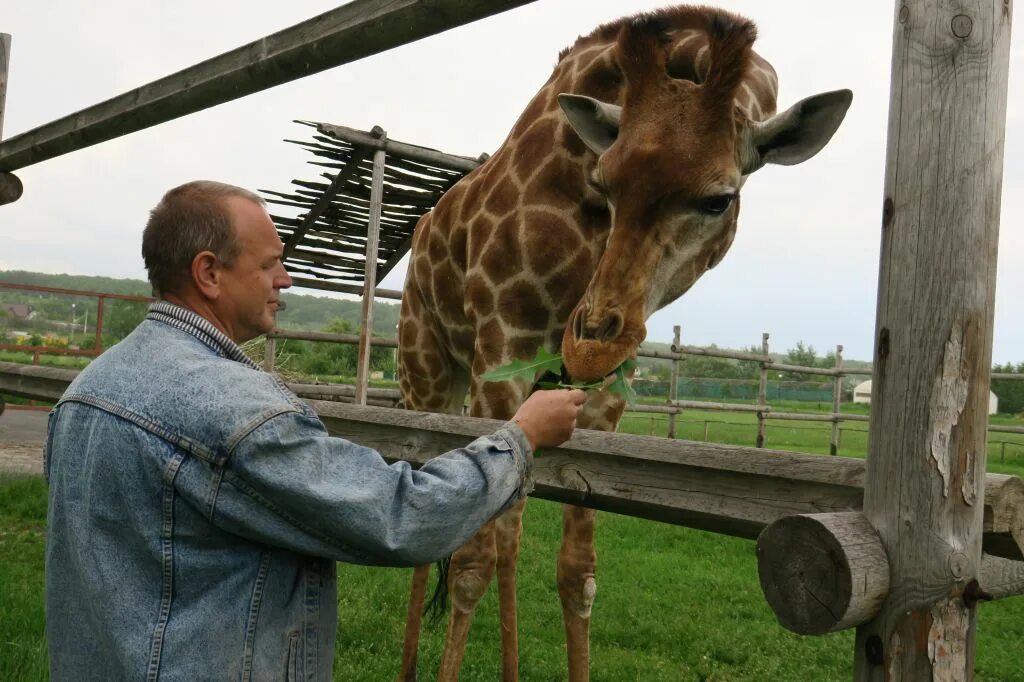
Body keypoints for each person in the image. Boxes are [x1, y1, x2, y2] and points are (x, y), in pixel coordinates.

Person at [44, 180, 586, 681]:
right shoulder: (234, 411)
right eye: (270, 265)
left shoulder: (87, 389)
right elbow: (400, 518)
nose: (286, 279)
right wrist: (520, 438)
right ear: (209, 273)